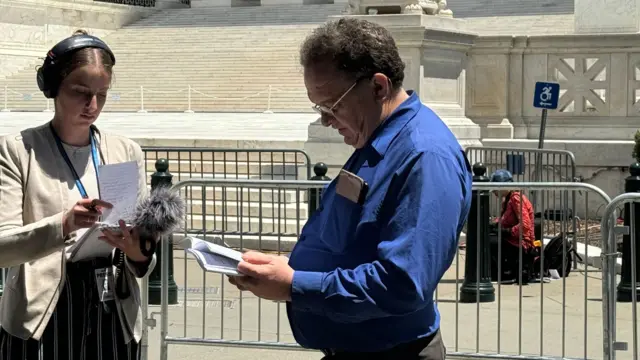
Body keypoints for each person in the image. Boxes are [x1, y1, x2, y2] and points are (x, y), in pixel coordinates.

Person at [228, 18, 472, 359]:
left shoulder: (424, 156)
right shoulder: (377, 139)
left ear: (378, 87)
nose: (326, 120)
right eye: (319, 108)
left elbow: (402, 284)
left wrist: (295, 285)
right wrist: (285, 269)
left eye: (333, 105)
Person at [0, 29, 156, 359]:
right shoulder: (18, 151)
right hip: (42, 314)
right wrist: (65, 223)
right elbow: (3, 247)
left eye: (102, 93)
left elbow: (143, 255)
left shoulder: (126, 150)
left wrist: (137, 251)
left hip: (115, 308)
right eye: (81, 92)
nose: (93, 104)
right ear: (53, 87)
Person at [489, 169, 536, 283]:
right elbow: (505, 219)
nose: (494, 192)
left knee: (490, 242)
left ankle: (502, 272)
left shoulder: (516, 198)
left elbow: (525, 225)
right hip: (512, 240)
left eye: (495, 188)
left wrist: (508, 231)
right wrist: (494, 224)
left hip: (520, 242)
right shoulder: (508, 200)